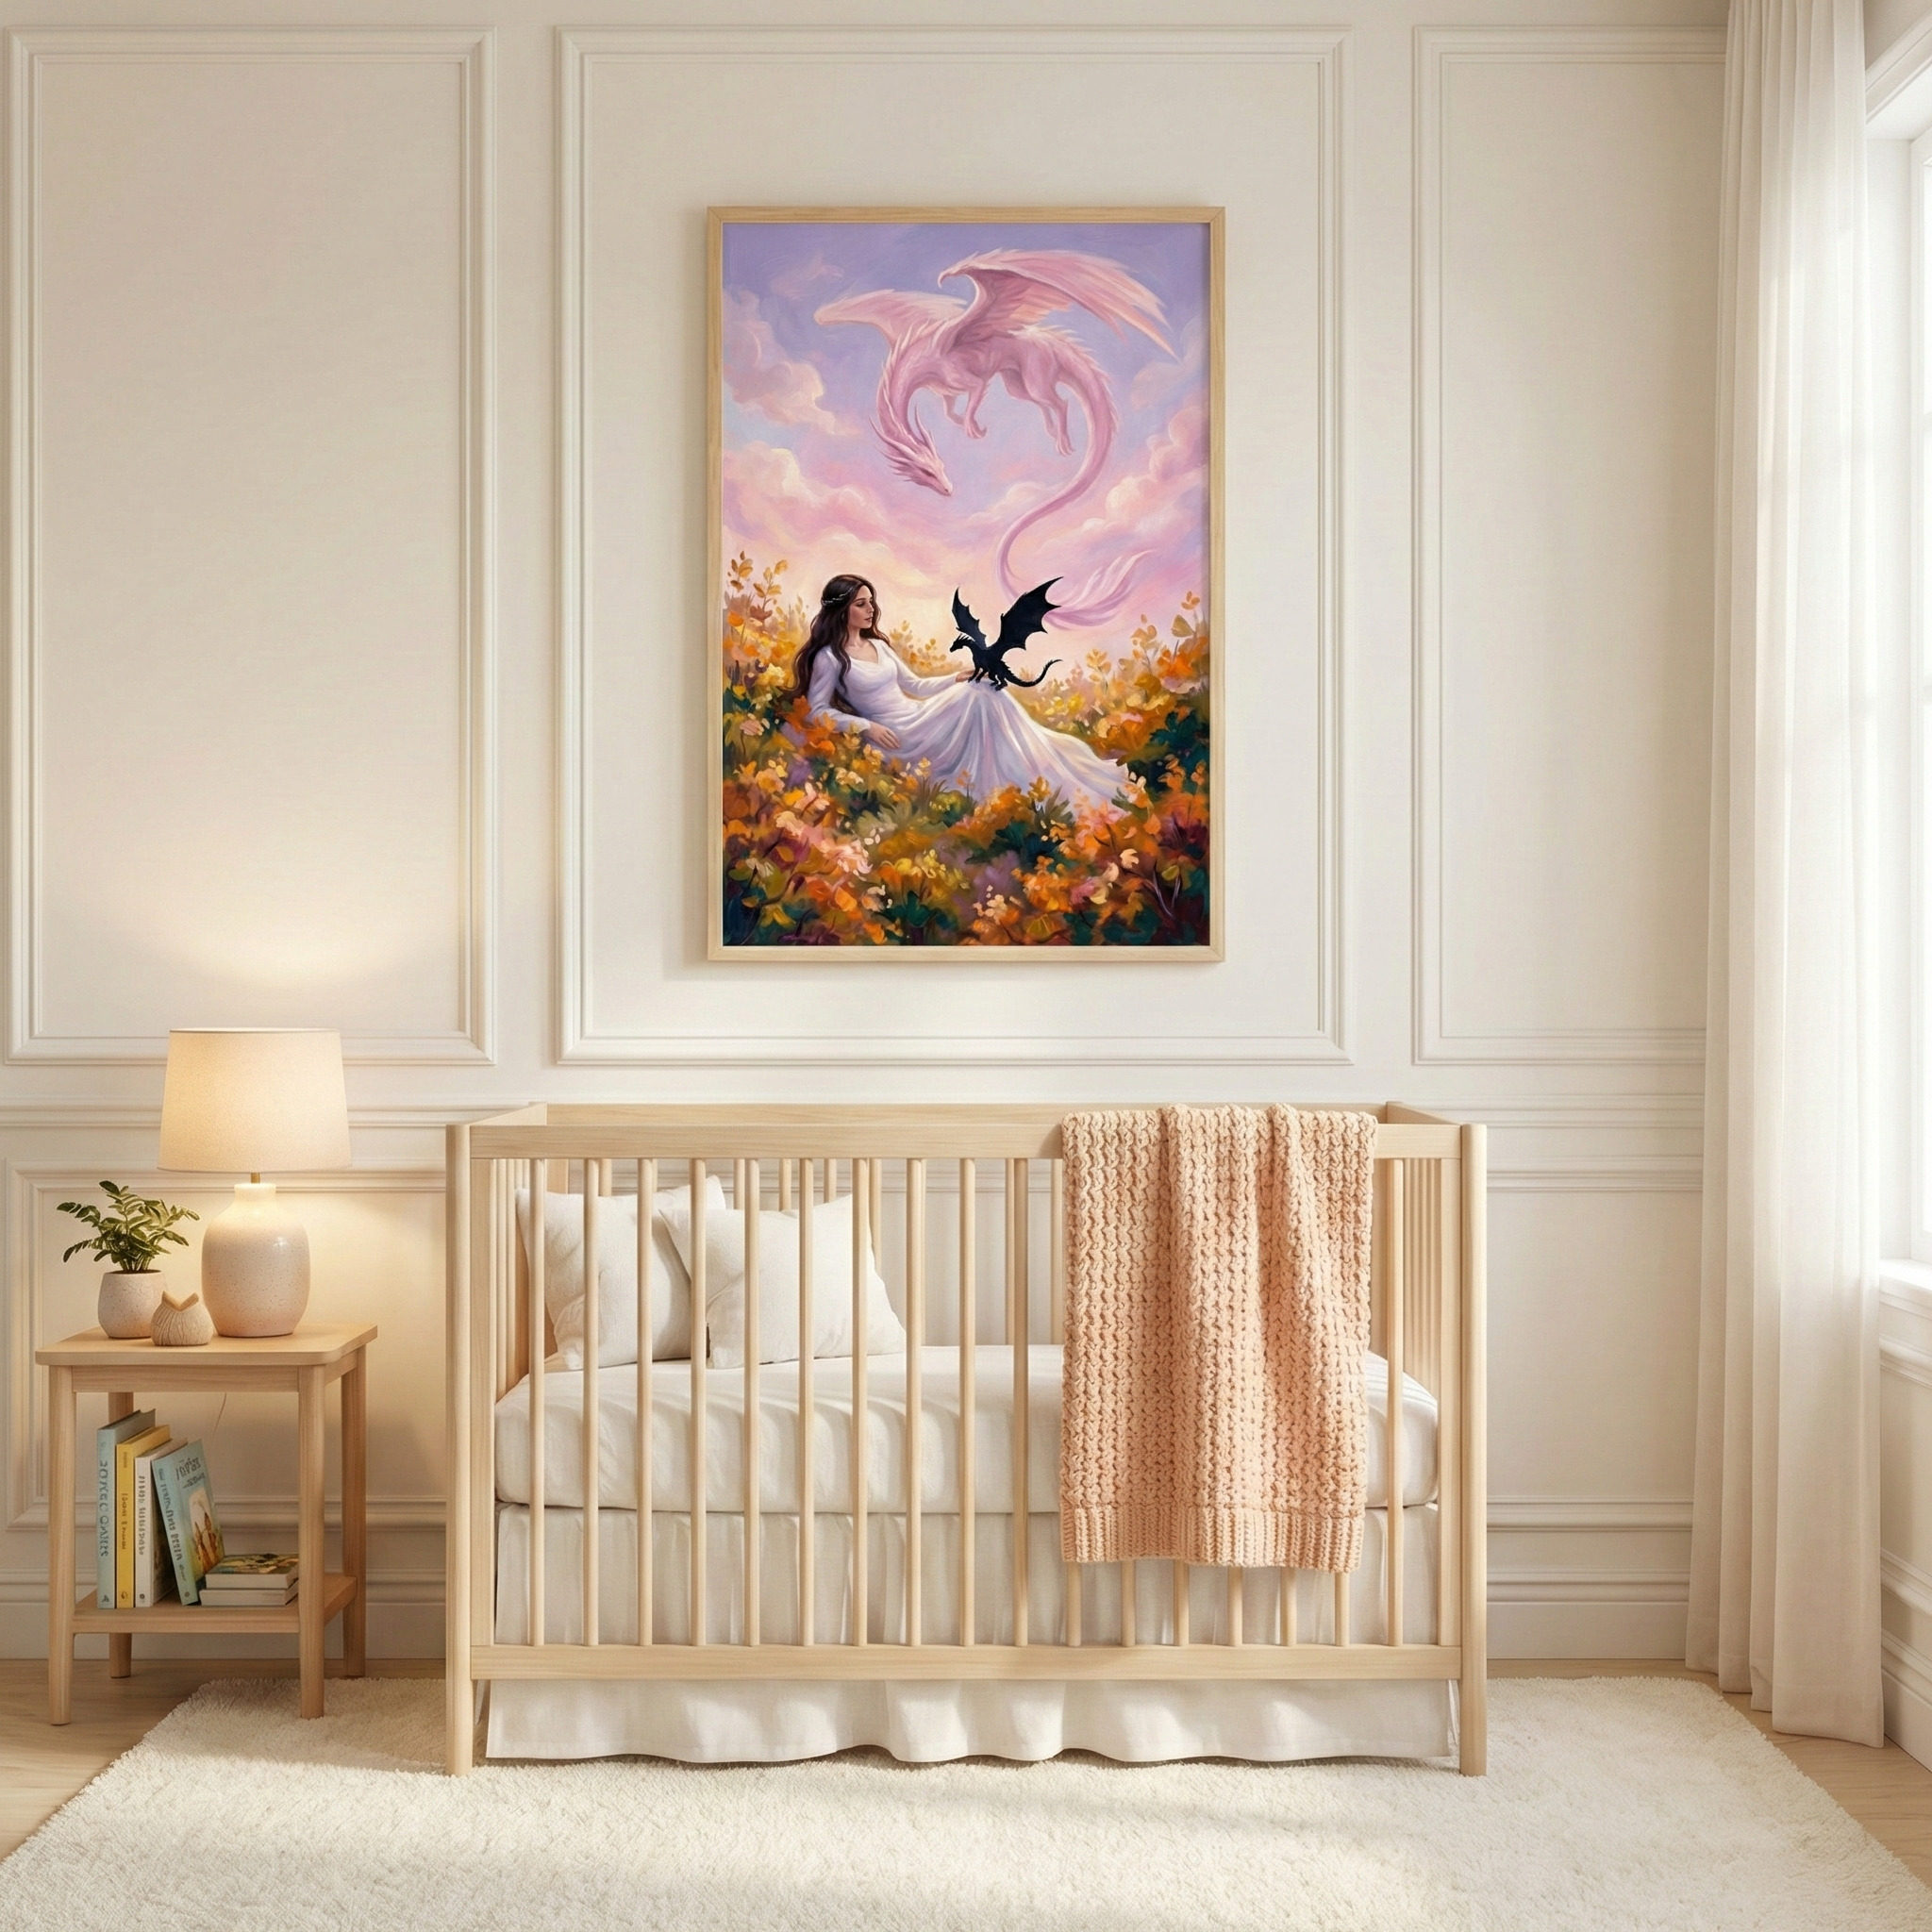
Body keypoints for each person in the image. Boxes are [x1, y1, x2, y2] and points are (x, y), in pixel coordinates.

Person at [791, 574, 1128, 813]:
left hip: (914, 717)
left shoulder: (878, 646)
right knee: (978, 695)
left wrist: (956, 677)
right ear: (842, 610)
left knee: (980, 687)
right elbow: (816, 710)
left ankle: (1031, 768)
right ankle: (1011, 783)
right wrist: (866, 727)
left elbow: (915, 687)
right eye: (861, 604)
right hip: (894, 734)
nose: (871, 610)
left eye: (872, 602)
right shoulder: (830, 657)